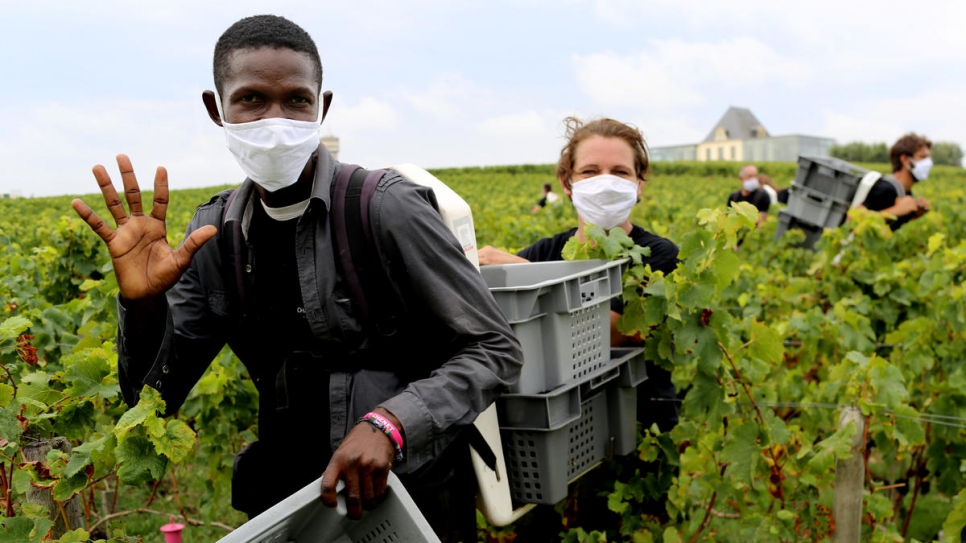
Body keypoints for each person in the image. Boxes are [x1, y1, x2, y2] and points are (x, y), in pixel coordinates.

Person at [70, 15, 523, 543]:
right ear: (216, 109)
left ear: (321, 106)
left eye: (297, 100)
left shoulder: (385, 207)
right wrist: (144, 307)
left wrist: (391, 425)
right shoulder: (212, 236)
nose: (275, 119)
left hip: (412, 487)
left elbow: (493, 349)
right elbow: (154, 397)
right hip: (296, 499)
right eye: (252, 99)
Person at [479, 116, 679, 540]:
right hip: (549, 441)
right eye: (590, 171)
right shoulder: (547, 251)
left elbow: (625, 333)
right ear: (567, 182)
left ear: (640, 183)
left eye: (621, 172)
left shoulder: (660, 256)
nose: (605, 182)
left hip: (634, 440)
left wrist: (527, 276)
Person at [858, 132, 932, 230]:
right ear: (905, 159)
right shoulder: (886, 189)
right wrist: (897, 210)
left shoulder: (906, 193)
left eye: (928, 157)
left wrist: (914, 214)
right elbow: (852, 221)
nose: (928, 163)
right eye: (922, 157)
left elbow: (885, 226)